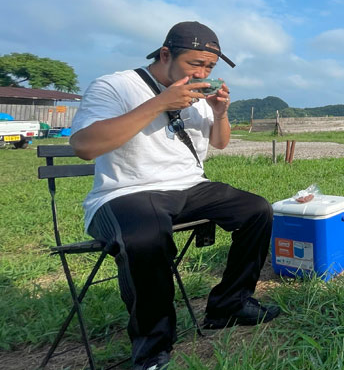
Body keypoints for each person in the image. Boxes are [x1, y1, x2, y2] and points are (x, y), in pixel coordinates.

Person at [70, 21, 279, 370]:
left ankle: (229, 303)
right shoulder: (115, 85)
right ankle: (152, 346)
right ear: (166, 54)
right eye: (194, 64)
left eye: (209, 68)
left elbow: (219, 142)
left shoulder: (196, 97)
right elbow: (85, 146)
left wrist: (220, 113)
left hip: (188, 187)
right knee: (146, 233)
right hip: (125, 191)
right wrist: (159, 103)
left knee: (257, 210)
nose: (202, 73)